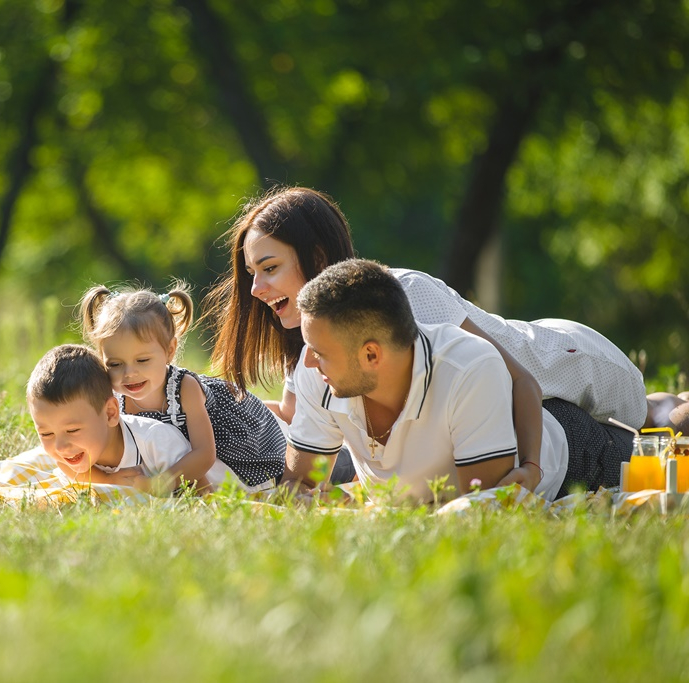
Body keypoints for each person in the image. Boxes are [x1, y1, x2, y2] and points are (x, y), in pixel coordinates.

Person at [205, 185, 681, 491]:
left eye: (269, 269)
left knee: (655, 420)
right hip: (517, 403)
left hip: (562, 363)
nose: (255, 289)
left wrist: (531, 468)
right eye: (252, 272)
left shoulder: (405, 297)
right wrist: (206, 405)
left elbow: (517, 380)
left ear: (317, 254)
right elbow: (298, 419)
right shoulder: (315, 340)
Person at [286, 259, 634, 502]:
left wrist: (531, 465)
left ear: (372, 356)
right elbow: (299, 487)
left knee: (662, 442)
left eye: (319, 351)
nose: (307, 361)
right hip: (498, 408)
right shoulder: (319, 372)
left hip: (575, 452)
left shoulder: (467, 367)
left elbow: (479, 508)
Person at [80, 284, 286, 493]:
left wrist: (159, 484)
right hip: (176, 460)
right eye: (115, 364)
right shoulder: (114, 397)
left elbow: (205, 454)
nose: (129, 374)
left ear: (169, 350)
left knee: (225, 489)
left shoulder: (184, 388)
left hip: (226, 451)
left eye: (142, 360)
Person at [27, 344, 236, 494]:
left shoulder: (155, 440)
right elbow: (65, 466)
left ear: (110, 413)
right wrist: (107, 480)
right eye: (46, 433)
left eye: (72, 430)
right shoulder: (70, 451)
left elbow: (203, 487)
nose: (61, 446)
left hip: (231, 479)